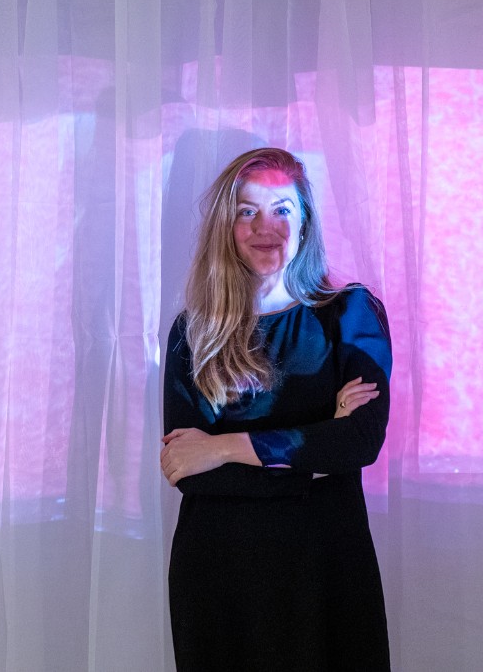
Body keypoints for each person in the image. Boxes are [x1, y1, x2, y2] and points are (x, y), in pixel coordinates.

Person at [160, 147, 391, 671]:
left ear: (305, 221)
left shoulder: (350, 315)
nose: (268, 226)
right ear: (227, 225)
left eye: (283, 209)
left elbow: (359, 442)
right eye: (248, 211)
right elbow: (188, 472)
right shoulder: (192, 334)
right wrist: (314, 454)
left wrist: (223, 447)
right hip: (220, 577)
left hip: (324, 569)